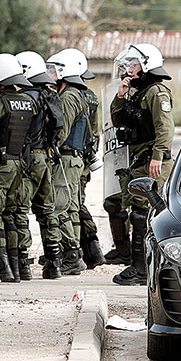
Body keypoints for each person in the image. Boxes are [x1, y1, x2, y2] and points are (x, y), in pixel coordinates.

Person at [110, 43, 173, 286]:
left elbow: (164, 128)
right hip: (141, 160)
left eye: (133, 64)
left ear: (146, 65)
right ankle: (139, 266)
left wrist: (158, 156)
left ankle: (142, 270)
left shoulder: (157, 92)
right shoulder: (139, 92)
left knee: (143, 214)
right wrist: (121, 95)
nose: (128, 68)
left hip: (153, 162)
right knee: (137, 212)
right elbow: (118, 119)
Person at [0, 54, 34, 285]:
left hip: (0, 164)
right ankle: (19, 268)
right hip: (19, 164)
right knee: (12, 213)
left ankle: (2, 268)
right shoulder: (28, 101)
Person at [15, 51, 65, 280]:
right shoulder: (51, 95)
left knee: (20, 209)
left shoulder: (27, 98)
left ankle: (23, 264)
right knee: (47, 210)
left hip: (29, 158)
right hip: (46, 156)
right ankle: (54, 263)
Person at [47, 49, 91, 277]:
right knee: (70, 206)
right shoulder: (76, 93)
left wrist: (49, 148)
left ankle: (72, 254)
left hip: (65, 158)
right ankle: (72, 253)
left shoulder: (69, 96)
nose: (50, 74)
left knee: (59, 205)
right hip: (72, 159)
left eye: (54, 70)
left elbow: (61, 130)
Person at [78, 68, 106, 269]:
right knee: (78, 201)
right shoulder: (91, 97)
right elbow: (94, 131)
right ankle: (91, 249)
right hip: (86, 156)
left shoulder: (73, 96)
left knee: (74, 203)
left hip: (75, 157)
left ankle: (91, 248)